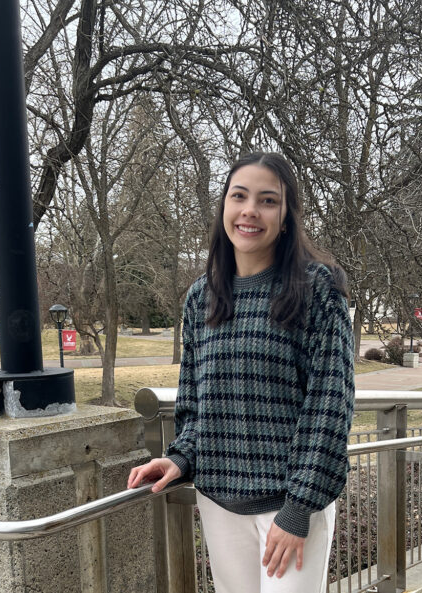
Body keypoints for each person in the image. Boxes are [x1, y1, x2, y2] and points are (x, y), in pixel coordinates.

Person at [127, 152, 355, 593]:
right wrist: (179, 458)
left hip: (290, 505)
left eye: (268, 200)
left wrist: (298, 508)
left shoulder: (316, 290)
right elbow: (195, 403)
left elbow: (330, 408)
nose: (251, 210)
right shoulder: (201, 297)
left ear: (286, 217)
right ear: (225, 209)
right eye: (239, 196)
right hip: (219, 501)